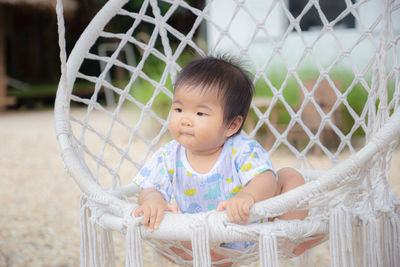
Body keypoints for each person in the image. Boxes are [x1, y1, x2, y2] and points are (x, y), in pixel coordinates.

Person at [132, 56, 309, 263]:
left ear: (231, 126)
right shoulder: (169, 155)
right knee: (157, 230)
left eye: (200, 113)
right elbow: (149, 187)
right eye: (178, 109)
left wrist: (247, 196)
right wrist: (153, 200)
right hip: (201, 238)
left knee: (290, 176)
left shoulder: (241, 148)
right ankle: (215, 258)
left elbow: (266, 179)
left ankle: (288, 239)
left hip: (255, 230)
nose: (185, 120)